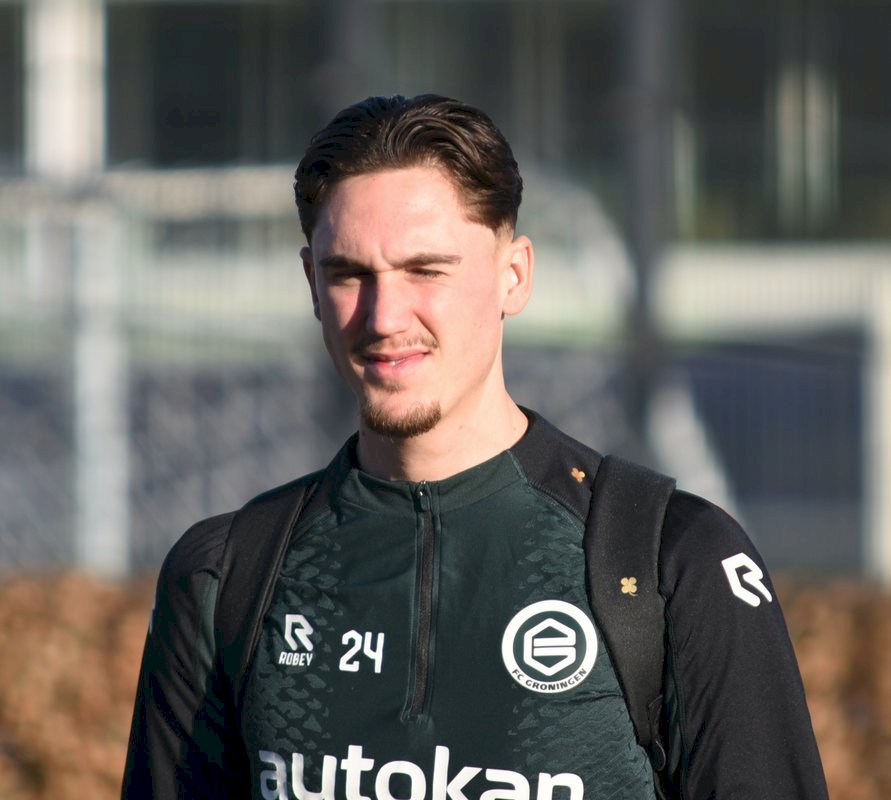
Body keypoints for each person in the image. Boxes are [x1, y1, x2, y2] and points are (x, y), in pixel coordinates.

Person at [121, 94, 828, 800]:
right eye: (349, 274)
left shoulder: (670, 561)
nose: (384, 317)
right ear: (311, 283)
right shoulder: (228, 575)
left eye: (425, 270)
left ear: (513, 275)